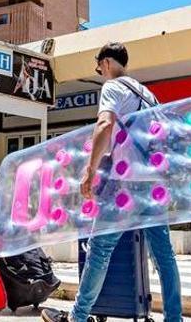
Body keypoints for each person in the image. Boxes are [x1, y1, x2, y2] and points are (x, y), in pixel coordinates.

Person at [41, 42, 182, 322]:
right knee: (164, 257)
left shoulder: (113, 87)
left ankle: (78, 317)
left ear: (106, 63)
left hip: (126, 184)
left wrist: (90, 170)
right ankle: (174, 318)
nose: (101, 72)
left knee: (100, 250)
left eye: (99, 67)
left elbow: (105, 125)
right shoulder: (148, 94)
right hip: (154, 184)